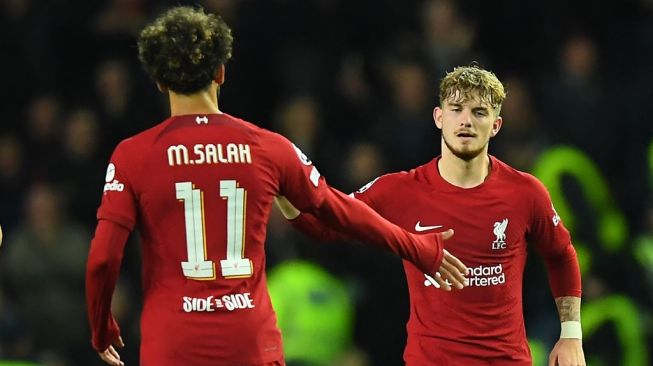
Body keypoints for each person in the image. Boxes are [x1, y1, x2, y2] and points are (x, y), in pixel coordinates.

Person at [85, 6, 468, 366]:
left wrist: (101, 326)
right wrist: (416, 246)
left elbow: (103, 259)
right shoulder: (267, 148)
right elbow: (340, 211)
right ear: (221, 72)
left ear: (158, 80)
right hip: (249, 340)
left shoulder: (133, 155)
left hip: (173, 342)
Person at [279, 65, 585, 365]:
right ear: (439, 117)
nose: (466, 121)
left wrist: (571, 334)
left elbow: (560, 253)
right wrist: (281, 186)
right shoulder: (399, 191)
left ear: (496, 125)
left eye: (479, 112)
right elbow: (322, 226)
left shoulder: (526, 192)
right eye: (456, 109)